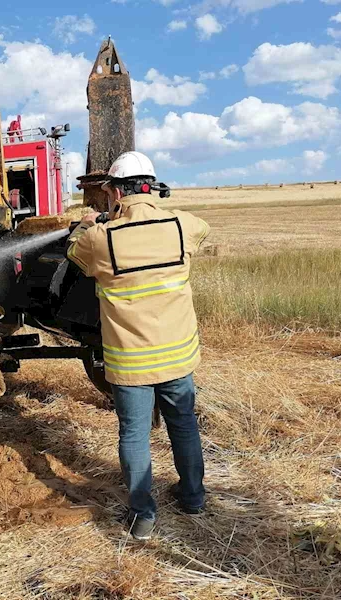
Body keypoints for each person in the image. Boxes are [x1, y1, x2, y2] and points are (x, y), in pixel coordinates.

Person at [67, 151, 211, 540]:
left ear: (115, 192)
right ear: (151, 186)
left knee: (133, 433)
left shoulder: (101, 238)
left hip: (131, 360)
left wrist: (89, 224)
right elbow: (203, 229)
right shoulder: (183, 225)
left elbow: (74, 254)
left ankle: (143, 517)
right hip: (179, 354)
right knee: (183, 425)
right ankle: (194, 497)